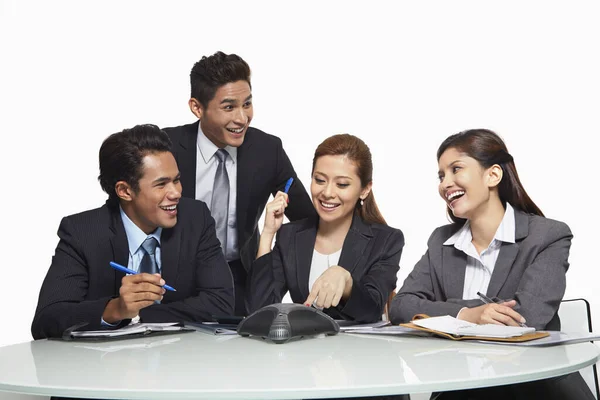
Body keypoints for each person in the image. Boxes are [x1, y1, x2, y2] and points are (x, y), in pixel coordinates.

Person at [389, 129, 594, 399]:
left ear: (493, 175)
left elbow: (525, 319)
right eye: (441, 176)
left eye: (455, 169)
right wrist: (468, 314)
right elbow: (401, 306)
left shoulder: (548, 235)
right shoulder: (441, 241)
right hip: (462, 389)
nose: (445, 183)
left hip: (534, 390)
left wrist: (442, 318)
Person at [31, 124, 234, 340]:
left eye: (176, 180)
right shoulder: (82, 233)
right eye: (161, 184)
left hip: (179, 362)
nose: (176, 193)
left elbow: (221, 302)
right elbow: (46, 320)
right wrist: (115, 309)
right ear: (125, 191)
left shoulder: (195, 218)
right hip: (104, 367)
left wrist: (138, 315)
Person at [164, 51, 315, 316]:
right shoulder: (166, 147)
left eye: (247, 104)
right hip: (173, 281)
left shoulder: (267, 149)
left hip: (240, 281)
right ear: (197, 107)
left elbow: (307, 222)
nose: (242, 118)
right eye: (229, 107)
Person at [248, 134, 404, 323]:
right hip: (304, 349)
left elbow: (372, 308)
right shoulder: (290, 235)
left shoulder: (386, 240)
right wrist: (267, 234)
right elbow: (260, 311)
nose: (327, 193)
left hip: (358, 351)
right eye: (320, 180)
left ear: (365, 189)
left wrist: (347, 283)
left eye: (342, 184)